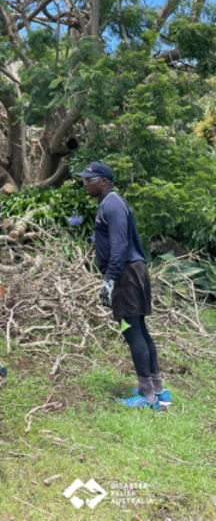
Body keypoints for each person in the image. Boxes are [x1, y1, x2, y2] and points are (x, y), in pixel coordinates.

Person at [76, 161, 171, 410]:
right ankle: (158, 389)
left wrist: (109, 279)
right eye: (85, 179)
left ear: (104, 182)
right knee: (139, 328)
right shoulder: (110, 203)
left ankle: (147, 395)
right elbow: (115, 238)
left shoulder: (112, 204)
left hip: (126, 275)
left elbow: (119, 246)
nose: (85, 183)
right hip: (131, 271)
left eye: (90, 179)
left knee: (131, 329)